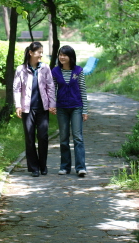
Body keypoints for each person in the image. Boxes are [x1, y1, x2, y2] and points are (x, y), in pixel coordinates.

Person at [13, 42, 56, 177]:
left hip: (42, 108)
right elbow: (17, 88)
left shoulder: (45, 68)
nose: (41, 55)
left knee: (43, 137)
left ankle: (43, 166)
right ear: (31, 53)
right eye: (39, 52)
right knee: (30, 138)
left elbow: (50, 87)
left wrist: (52, 104)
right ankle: (34, 168)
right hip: (27, 108)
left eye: (42, 52)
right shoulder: (21, 69)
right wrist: (18, 105)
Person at [51, 45, 88, 177]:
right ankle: (65, 167)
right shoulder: (55, 71)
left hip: (76, 107)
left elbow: (83, 90)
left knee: (78, 137)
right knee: (63, 138)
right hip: (61, 108)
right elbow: (52, 90)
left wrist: (85, 110)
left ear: (70, 57)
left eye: (64, 55)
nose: (62, 57)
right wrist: (52, 105)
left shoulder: (78, 71)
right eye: (60, 54)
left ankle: (80, 167)